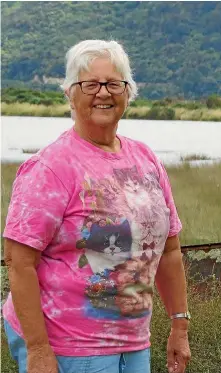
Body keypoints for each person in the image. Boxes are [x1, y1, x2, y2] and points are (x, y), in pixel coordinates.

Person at [2, 39, 191, 373]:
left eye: (114, 83)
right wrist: (39, 350)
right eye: (89, 84)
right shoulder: (51, 167)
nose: (103, 92)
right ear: (70, 94)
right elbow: (19, 261)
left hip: (133, 343)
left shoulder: (145, 159)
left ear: (128, 92)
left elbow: (170, 250)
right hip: (68, 345)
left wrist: (180, 324)